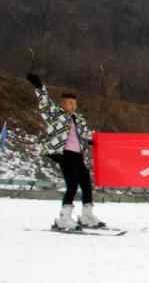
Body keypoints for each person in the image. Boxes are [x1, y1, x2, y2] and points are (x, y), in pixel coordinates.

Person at [26, 73, 104, 230]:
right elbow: (45, 103)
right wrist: (39, 87)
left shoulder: (79, 119)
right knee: (72, 184)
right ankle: (64, 217)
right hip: (64, 153)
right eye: (70, 103)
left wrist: (91, 140)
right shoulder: (55, 114)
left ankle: (87, 215)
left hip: (78, 155)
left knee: (86, 183)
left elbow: (86, 134)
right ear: (63, 104)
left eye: (74, 103)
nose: (73, 105)